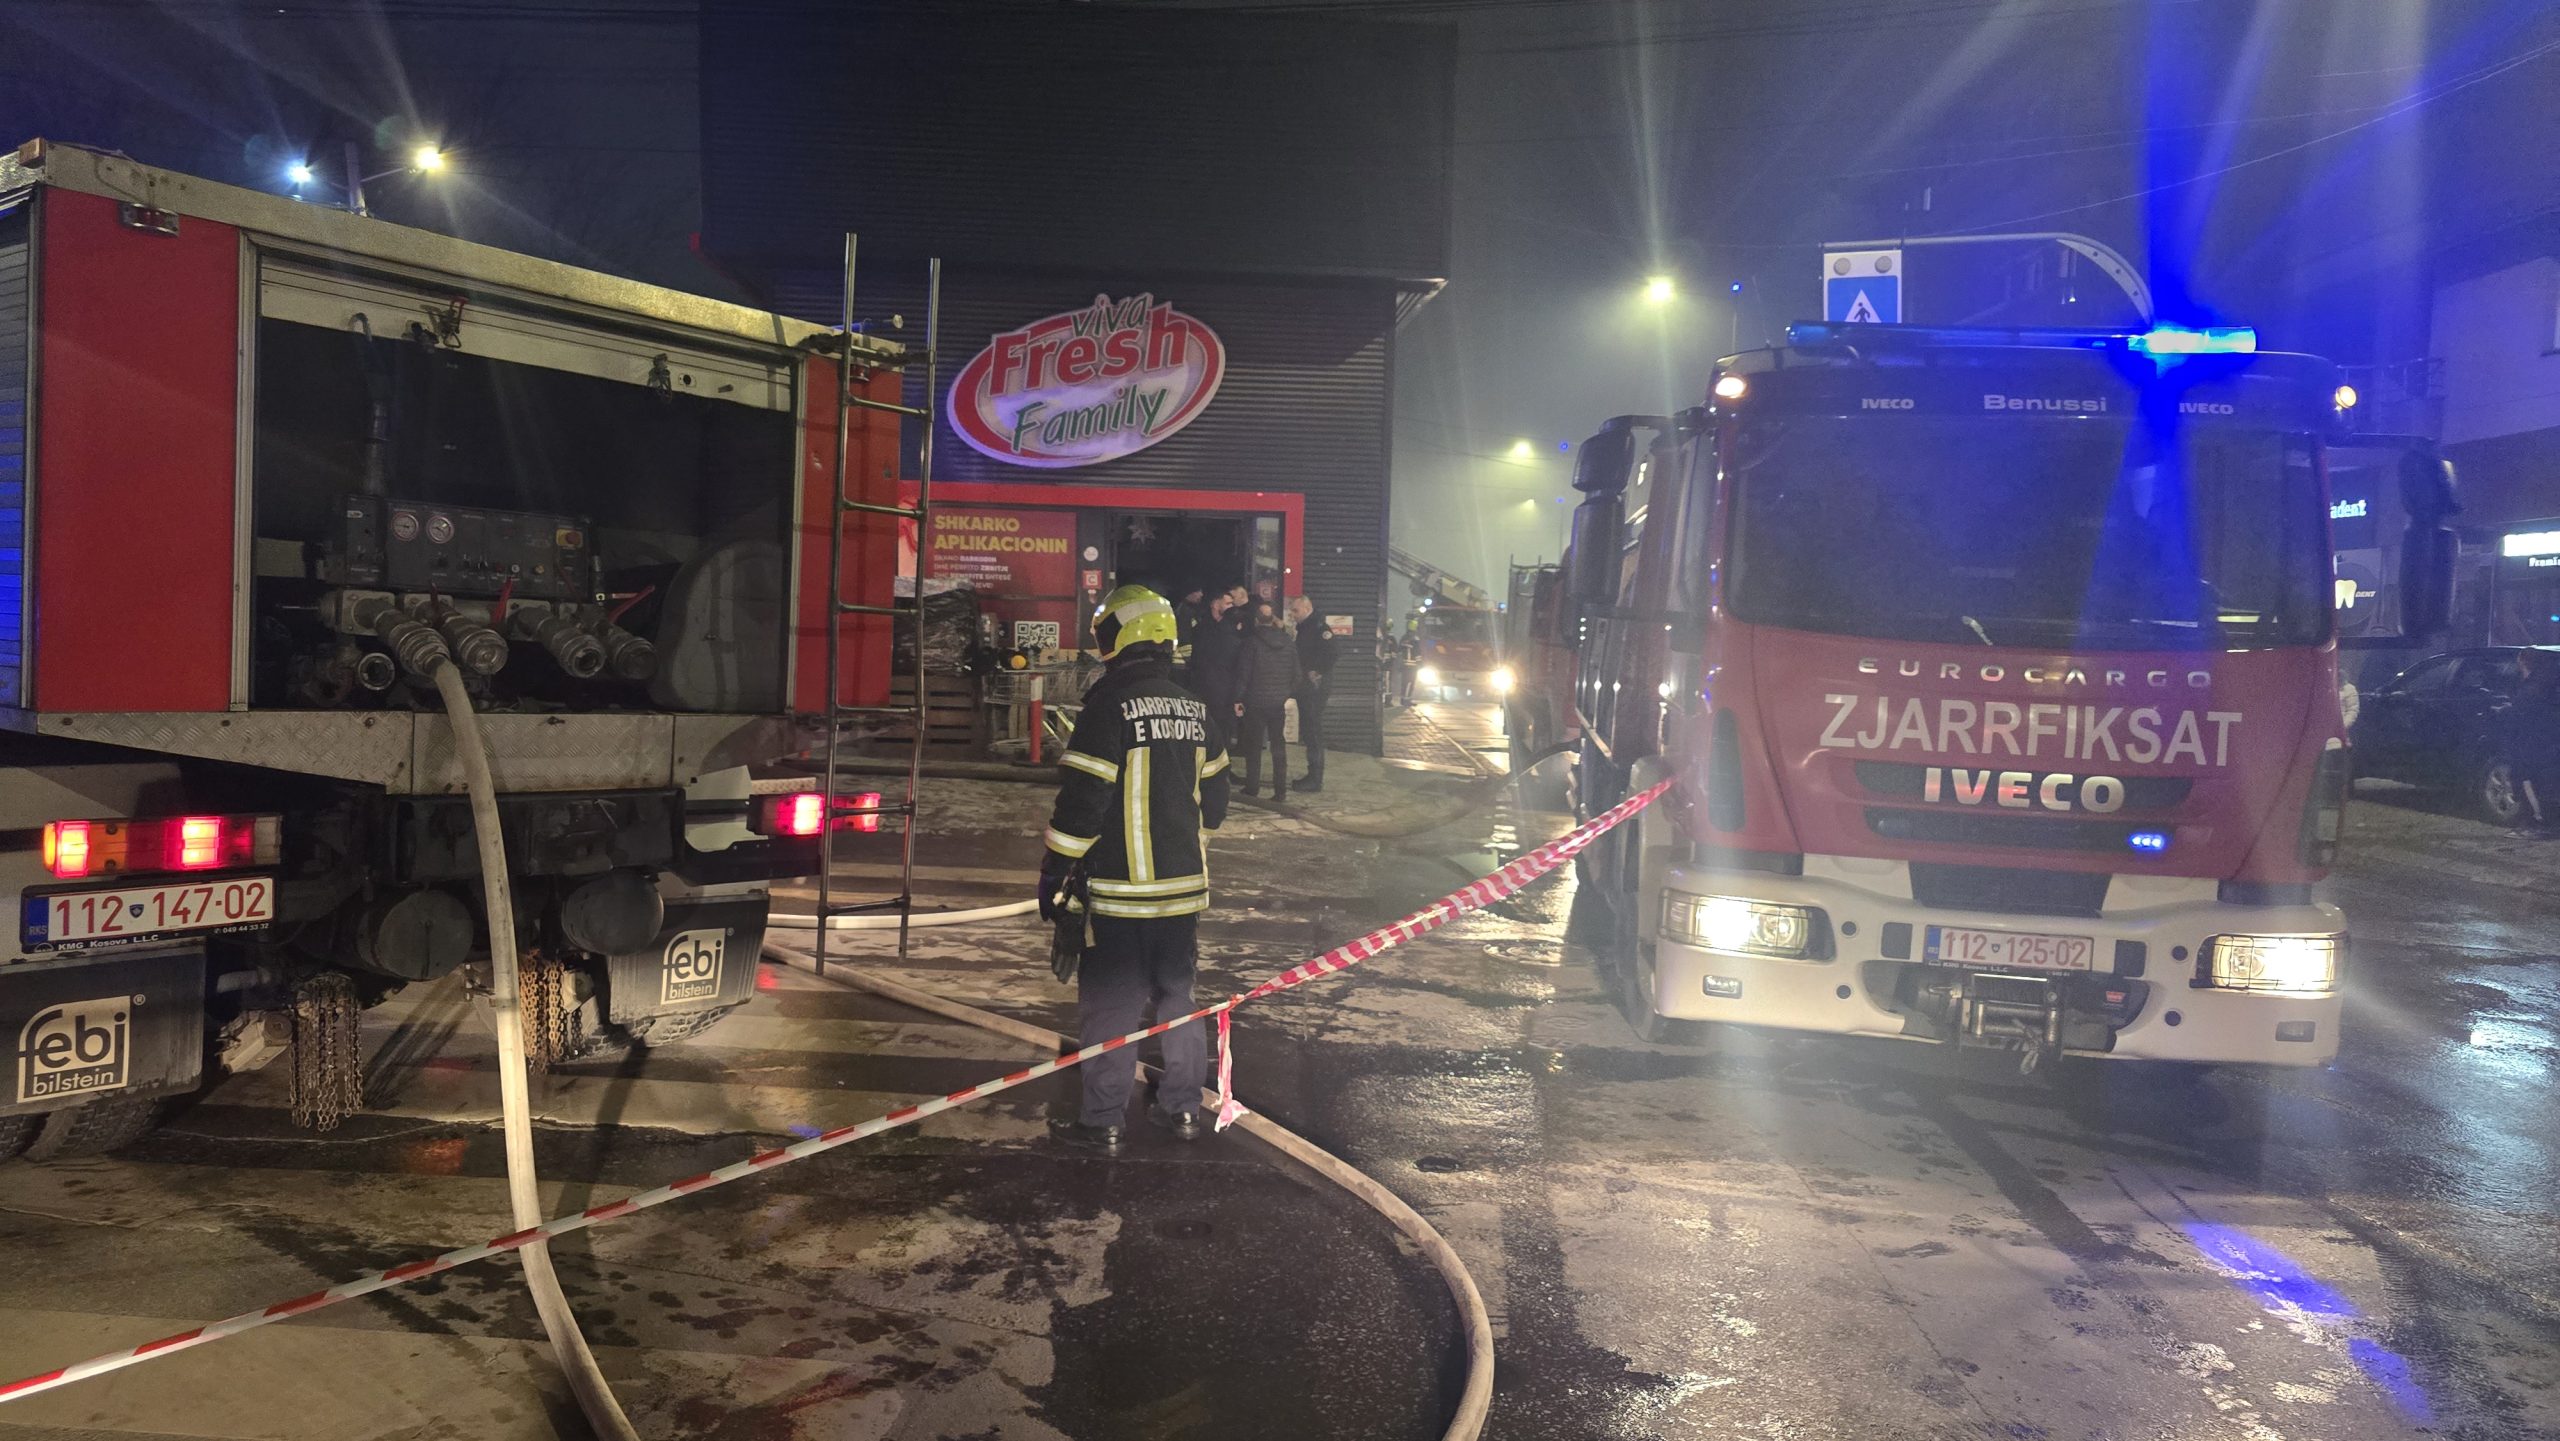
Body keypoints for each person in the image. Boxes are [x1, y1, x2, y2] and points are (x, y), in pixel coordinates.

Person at [1038, 584, 1231, 1154]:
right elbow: (1216, 806)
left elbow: (1082, 803)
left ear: (1118, 638)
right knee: (1177, 999)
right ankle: (1184, 1109)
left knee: (1111, 1006)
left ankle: (1103, 1121)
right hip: (1183, 893)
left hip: (1119, 894)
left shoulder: (1109, 707)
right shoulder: (1197, 709)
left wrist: (1054, 871)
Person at [1236, 599, 1299, 800]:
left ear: (1256, 620)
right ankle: (1280, 791)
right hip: (1277, 702)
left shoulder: (1251, 642)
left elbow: (1244, 674)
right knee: (1278, 746)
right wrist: (1284, 693)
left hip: (1255, 701)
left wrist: (1238, 698)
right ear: (1273, 620)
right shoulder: (1288, 642)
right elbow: (1297, 674)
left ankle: (1252, 787)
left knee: (1253, 747)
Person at [1187, 583, 1250, 745]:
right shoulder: (1204, 630)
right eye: (1228, 603)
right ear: (1215, 604)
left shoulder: (1227, 631)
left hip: (1219, 692)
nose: (1231, 608)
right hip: (1210, 691)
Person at [1289, 595, 1336, 793]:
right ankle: (1312, 775)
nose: (1292, 614)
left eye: (1295, 610)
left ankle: (1315, 779)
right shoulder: (1305, 628)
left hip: (1315, 689)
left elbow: (1333, 653)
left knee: (1313, 732)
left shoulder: (1319, 628)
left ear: (1307, 609)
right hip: (1306, 688)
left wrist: (1317, 671)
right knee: (1309, 732)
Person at [2509, 647, 2560, 828]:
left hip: (2530, 743)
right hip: (2547, 743)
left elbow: (2521, 716)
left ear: (2523, 662)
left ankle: (2536, 823)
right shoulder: (2548, 686)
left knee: (2526, 781)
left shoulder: (2530, 690)